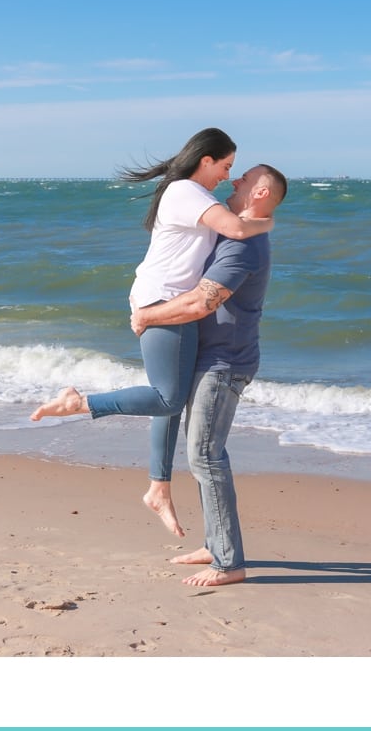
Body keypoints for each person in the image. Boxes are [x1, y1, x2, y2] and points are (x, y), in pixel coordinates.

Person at [29, 128, 272, 537]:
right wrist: (269, 219)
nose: (227, 176)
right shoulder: (185, 191)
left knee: (170, 399)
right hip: (163, 300)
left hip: (173, 300)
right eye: (226, 166)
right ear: (205, 159)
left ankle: (158, 487)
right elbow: (235, 229)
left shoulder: (195, 195)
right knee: (166, 396)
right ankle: (79, 402)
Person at [130, 163, 286, 585]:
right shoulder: (236, 232)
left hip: (225, 363)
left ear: (258, 193)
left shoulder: (244, 248)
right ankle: (216, 544)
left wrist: (147, 315)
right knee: (202, 455)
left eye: (244, 178)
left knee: (206, 455)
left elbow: (202, 303)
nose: (235, 180)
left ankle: (229, 562)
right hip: (211, 357)